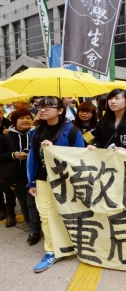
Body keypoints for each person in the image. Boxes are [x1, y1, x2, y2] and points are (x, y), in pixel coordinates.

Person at [27, 96, 84, 272]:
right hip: (42, 179)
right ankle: (52, 251)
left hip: (64, 180)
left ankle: (72, 245)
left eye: (48, 107)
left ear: (60, 110)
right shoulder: (35, 132)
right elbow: (33, 158)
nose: (42, 110)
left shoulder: (72, 131)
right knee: (45, 216)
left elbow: (81, 158)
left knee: (64, 214)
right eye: (40, 107)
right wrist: (31, 182)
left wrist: (54, 150)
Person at [0, 109, 42, 244]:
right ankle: (32, 224)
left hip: (35, 175)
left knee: (32, 203)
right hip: (16, 176)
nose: (25, 120)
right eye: (21, 118)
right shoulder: (5, 137)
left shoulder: (38, 133)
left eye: (28, 118)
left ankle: (34, 230)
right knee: (23, 202)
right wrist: (13, 155)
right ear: (14, 121)